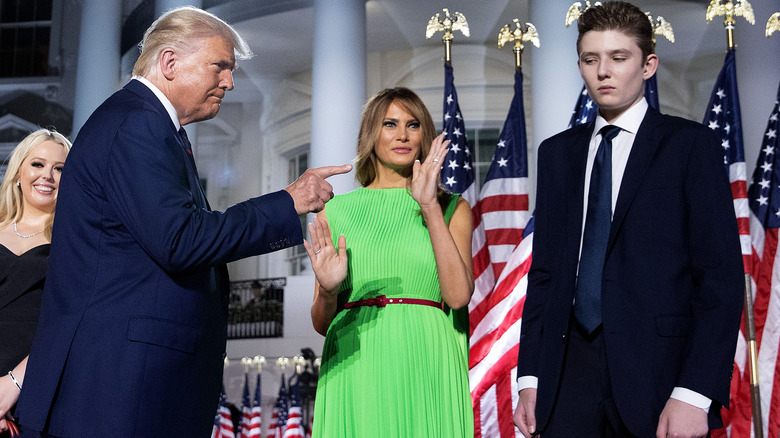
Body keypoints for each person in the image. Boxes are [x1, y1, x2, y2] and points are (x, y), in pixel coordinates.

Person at [15, 7, 350, 438]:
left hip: (126, 382)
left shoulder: (148, 125)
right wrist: (287, 202)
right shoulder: (137, 124)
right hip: (121, 388)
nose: (229, 81)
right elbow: (181, 240)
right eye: (220, 66)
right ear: (170, 62)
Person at [513, 2, 744, 437]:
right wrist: (531, 379)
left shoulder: (690, 146)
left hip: (662, 377)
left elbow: (720, 280)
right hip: (566, 378)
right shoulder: (556, 153)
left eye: (619, 58)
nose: (604, 71)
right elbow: (545, 276)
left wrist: (694, 392)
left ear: (648, 65)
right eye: (590, 59)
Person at [304, 87, 474, 437]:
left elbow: (457, 297)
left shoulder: (452, 208)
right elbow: (322, 323)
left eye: (413, 125)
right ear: (371, 133)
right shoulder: (335, 211)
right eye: (390, 124)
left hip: (426, 355)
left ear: (424, 135)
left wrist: (428, 206)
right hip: (356, 358)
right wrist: (328, 289)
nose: (402, 135)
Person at [0, 129, 70, 436]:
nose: (48, 176)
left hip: (34, 395)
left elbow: (67, 323)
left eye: (60, 169)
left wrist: (12, 386)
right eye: (38, 164)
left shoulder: (74, 242)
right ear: (17, 172)